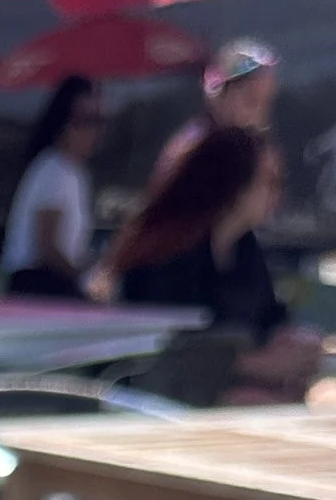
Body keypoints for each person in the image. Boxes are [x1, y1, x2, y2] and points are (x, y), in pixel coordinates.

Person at [105, 125, 321, 401]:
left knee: (334, 397)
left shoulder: (245, 248)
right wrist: (260, 365)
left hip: (231, 395)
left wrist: (294, 343)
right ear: (234, 185)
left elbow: (268, 318)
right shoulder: (166, 253)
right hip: (161, 404)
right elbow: (167, 353)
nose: (278, 196)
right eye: (271, 182)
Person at [2, 74, 102, 296]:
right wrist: (87, 280)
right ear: (64, 125)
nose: (95, 132)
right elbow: (47, 248)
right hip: (37, 289)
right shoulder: (53, 170)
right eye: (87, 121)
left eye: (99, 121)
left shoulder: (74, 174)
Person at [152, 35, 278, 187]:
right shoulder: (192, 154)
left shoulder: (258, 156)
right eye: (251, 100)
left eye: (266, 103)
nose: (259, 115)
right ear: (219, 96)